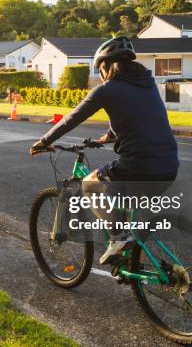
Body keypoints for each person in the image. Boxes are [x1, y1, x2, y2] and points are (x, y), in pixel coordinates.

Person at [29, 36, 179, 265]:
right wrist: (108, 137)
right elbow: (134, 114)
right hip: (169, 166)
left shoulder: (107, 89)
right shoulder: (147, 84)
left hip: (138, 166)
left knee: (90, 184)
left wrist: (44, 140)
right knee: (127, 206)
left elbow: (72, 119)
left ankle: (118, 239)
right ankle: (130, 257)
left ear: (106, 66)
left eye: (100, 68)